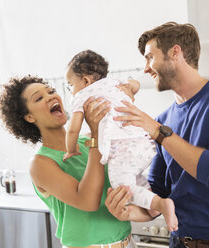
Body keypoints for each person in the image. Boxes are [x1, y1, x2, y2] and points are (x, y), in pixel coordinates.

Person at [105, 22, 209, 248]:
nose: (145, 69)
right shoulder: (163, 120)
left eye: (150, 57)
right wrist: (130, 212)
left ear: (175, 52)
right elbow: (159, 196)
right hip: (180, 242)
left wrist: (157, 132)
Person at [0, 75, 138, 248]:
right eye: (39, 98)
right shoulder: (40, 163)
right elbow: (88, 201)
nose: (51, 96)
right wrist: (95, 136)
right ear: (29, 117)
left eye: (51, 91)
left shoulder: (87, 142)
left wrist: (121, 97)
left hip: (128, 242)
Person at [63, 49, 178, 232]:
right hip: (145, 143)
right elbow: (135, 84)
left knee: (122, 186)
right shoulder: (114, 83)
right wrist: (130, 90)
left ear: (85, 81)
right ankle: (151, 206)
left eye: (70, 84)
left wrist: (71, 149)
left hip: (123, 149)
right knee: (137, 179)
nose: (71, 89)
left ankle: (161, 204)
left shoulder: (81, 96)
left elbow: (73, 129)